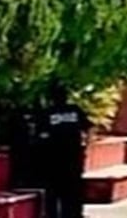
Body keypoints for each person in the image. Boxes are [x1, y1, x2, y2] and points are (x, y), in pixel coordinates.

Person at [39, 85, 91, 218]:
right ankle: (74, 213)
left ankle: (52, 214)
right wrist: (85, 146)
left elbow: (42, 135)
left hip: (54, 158)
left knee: (53, 189)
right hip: (74, 156)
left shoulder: (48, 113)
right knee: (74, 188)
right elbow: (87, 129)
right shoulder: (75, 110)